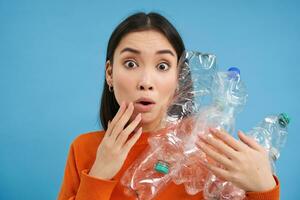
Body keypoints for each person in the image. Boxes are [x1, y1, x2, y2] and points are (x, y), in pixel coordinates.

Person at [57, 12, 279, 200]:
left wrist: (262, 188)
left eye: (162, 66)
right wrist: (99, 174)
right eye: (131, 63)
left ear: (179, 78)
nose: (145, 82)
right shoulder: (84, 149)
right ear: (110, 74)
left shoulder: (205, 148)